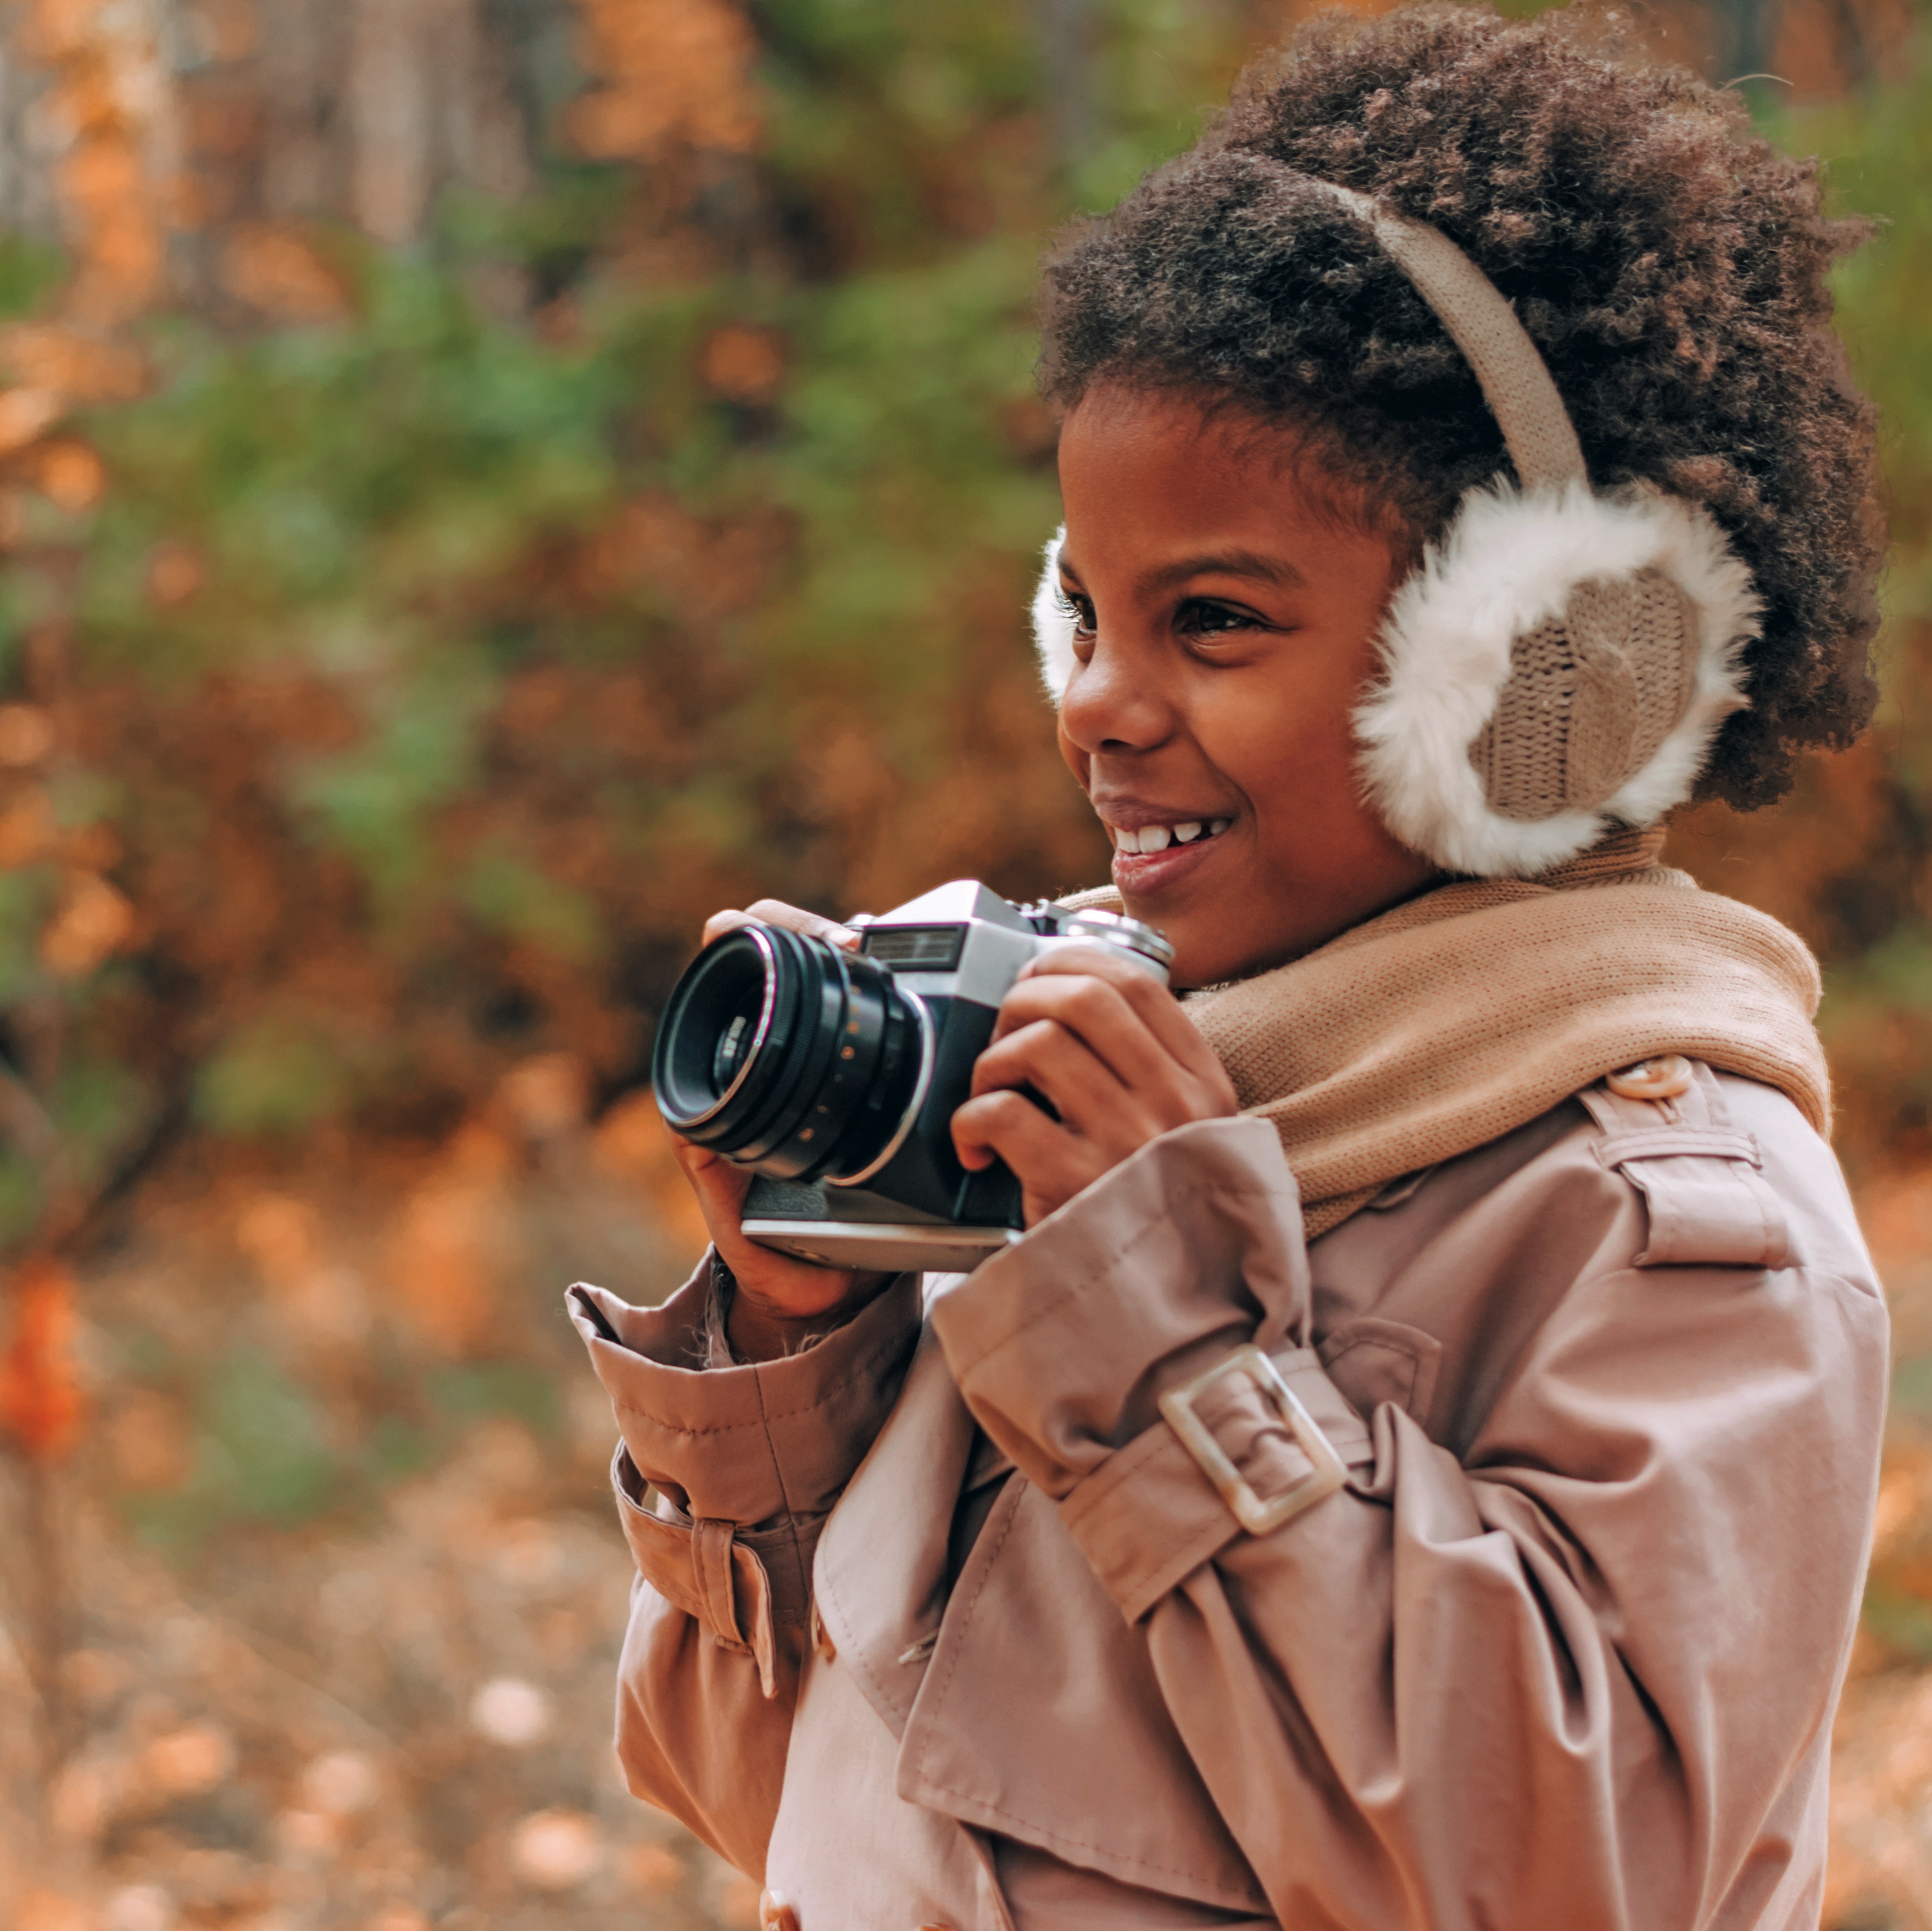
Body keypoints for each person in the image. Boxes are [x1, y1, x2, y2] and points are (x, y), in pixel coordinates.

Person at [569, 9, 1890, 1927]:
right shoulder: (1118, 1104)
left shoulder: (1664, 1217)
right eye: (1083, 608)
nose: (1099, 701)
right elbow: (767, 1790)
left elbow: (1568, 1872)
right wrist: (794, 1345)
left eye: (1211, 620)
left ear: (1539, 681)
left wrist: (1170, 1334)